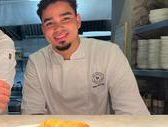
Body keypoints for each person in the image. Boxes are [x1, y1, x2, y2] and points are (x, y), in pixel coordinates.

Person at [21, 0, 150, 115]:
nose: (58, 29)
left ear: (78, 21)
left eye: (65, 19)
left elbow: (131, 111)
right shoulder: (36, 62)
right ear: (43, 30)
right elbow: (32, 114)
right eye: (49, 23)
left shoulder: (109, 53)